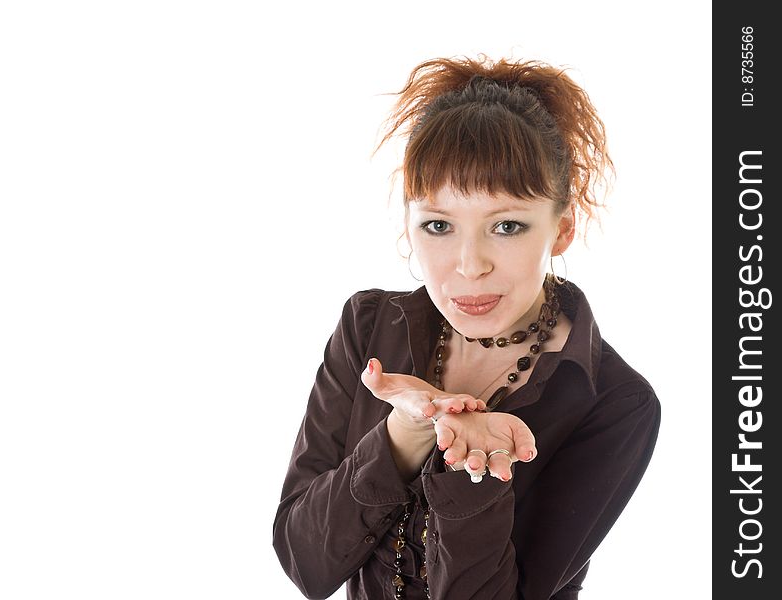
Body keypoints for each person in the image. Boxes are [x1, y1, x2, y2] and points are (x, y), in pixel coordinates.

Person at [272, 55, 660, 600]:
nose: (469, 264)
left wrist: (471, 470)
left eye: (507, 226)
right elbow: (305, 563)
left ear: (563, 229)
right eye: (438, 225)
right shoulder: (369, 328)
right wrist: (401, 437)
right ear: (408, 228)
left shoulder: (613, 401)